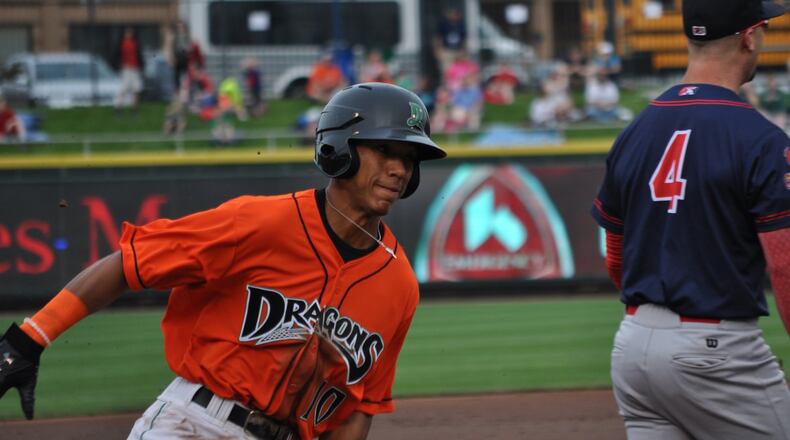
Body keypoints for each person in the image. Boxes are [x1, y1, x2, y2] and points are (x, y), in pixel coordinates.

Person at [0, 82, 447, 439]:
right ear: (339, 148)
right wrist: (29, 341)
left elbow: (358, 409)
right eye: (386, 150)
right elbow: (131, 263)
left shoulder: (399, 285)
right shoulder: (260, 222)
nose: (399, 169)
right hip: (192, 424)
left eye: (409, 158)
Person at [591, 1, 790, 439]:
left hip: (633, 345)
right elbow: (784, 264)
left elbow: (615, 260)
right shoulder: (762, 140)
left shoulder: (635, 132)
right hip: (715, 348)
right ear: (750, 36)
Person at [113, 26, 145, 112]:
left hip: (135, 68)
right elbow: (117, 55)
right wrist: (119, 66)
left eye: (130, 32)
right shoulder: (122, 43)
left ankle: (135, 109)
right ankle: (119, 108)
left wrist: (141, 66)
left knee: (136, 89)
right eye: (127, 32)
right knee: (123, 89)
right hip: (126, 68)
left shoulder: (135, 43)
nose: (129, 34)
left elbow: (139, 55)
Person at [167, 20, 204, 91]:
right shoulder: (175, 37)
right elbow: (172, 49)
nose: (180, 29)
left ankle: (187, 93)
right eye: (178, 27)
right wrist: (171, 58)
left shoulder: (188, 37)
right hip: (178, 60)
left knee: (188, 78)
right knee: (176, 78)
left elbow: (191, 49)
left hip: (186, 60)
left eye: (181, 27)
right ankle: (178, 94)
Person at [433, 7, 467, 75]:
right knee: (446, 70)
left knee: (461, 69)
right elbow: (438, 38)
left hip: (458, 50)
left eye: (456, 14)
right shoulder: (444, 24)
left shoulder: (461, 24)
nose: (454, 16)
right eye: (452, 14)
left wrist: (464, 50)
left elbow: (464, 38)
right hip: (447, 50)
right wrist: (438, 50)